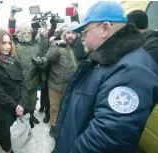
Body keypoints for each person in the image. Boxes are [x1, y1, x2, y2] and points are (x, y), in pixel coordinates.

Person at [53, 1, 158, 153]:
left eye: (85, 32)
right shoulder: (106, 59)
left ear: (105, 28)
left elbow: (107, 139)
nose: (81, 37)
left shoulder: (131, 70)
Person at [0, 28, 29, 153]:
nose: (8, 46)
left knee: (18, 135)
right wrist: (16, 106)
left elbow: (23, 83)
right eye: (3, 43)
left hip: (19, 104)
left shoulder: (15, 60)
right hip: (5, 109)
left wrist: (22, 103)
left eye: (9, 42)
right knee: (7, 138)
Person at [32, 21, 79, 137]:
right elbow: (47, 59)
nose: (70, 35)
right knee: (54, 107)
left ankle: (64, 124)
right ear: (64, 34)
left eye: (73, 33)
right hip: (55, 85)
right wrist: (55, 46)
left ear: (78, 35)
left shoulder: (79, 47)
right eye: (68, 32)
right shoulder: (58, 46)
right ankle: (54, 126)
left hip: (70, 85)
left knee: (67, 107)